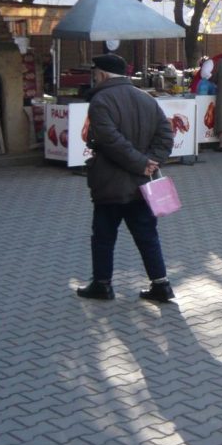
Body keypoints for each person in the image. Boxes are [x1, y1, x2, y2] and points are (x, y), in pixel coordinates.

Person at [76, 53, 175, 304]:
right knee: (147, 235)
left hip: (110, 182)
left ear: (102, 74)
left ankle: (102, 284)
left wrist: (143, 163)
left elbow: (110, 141)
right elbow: (166, 137)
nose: (93, 77)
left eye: (95, 73)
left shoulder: (100, 101)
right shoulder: (146, 99)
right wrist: (150, 163)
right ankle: (161, 285)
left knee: (103, 236)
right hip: (141, 186)